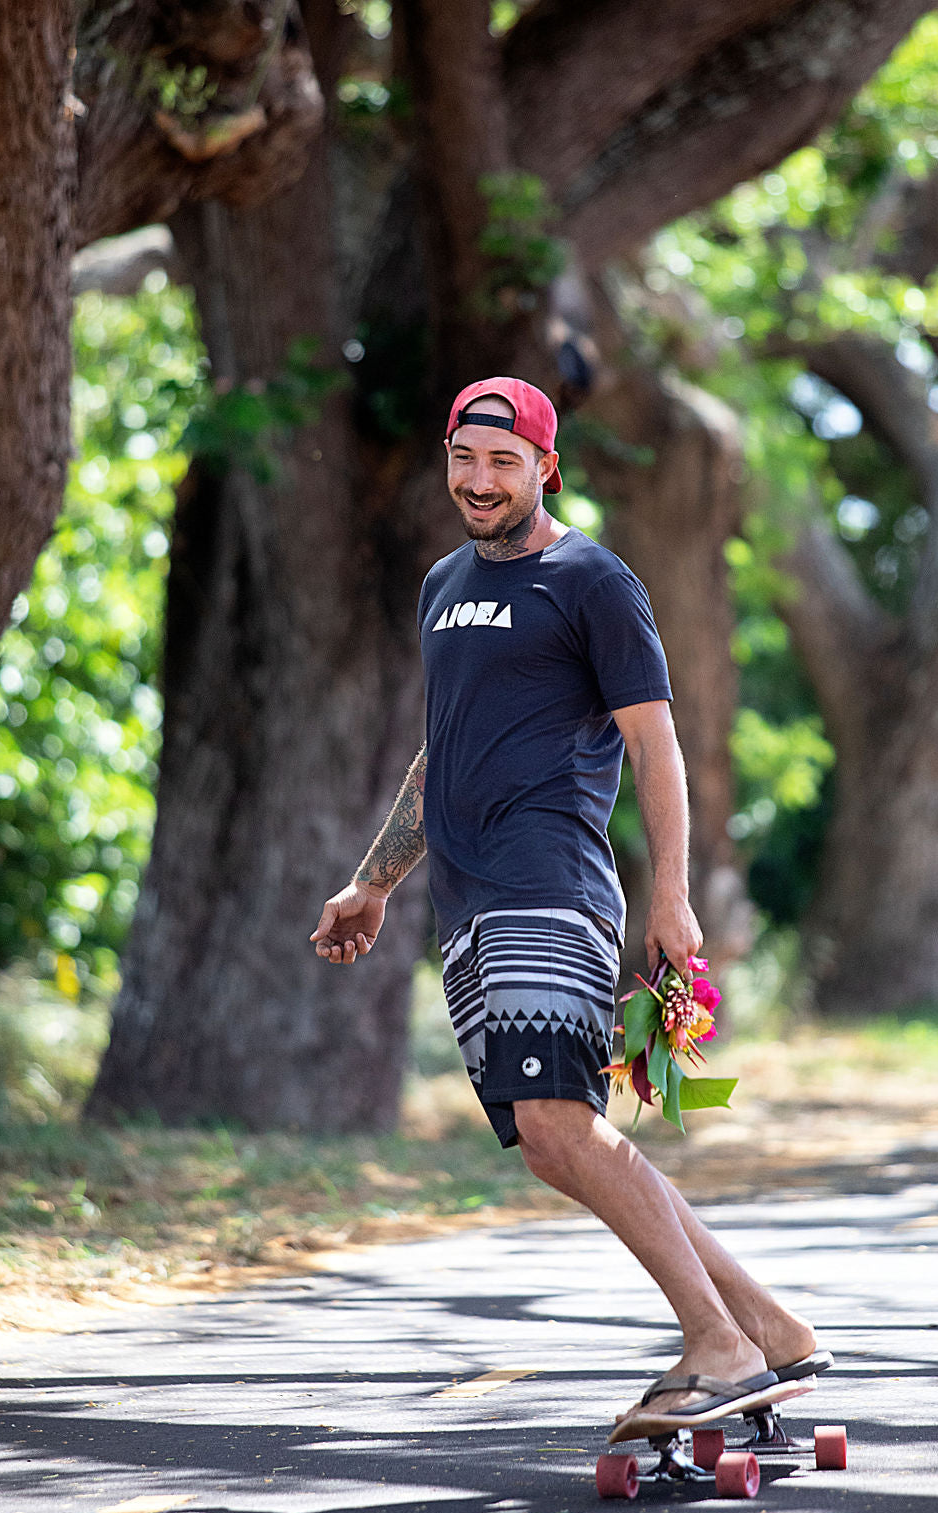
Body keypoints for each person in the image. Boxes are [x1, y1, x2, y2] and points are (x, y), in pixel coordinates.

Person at [310, 376, 820, 1422]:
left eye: (504, 461)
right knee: (553, 1139)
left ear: (546, 465)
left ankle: (718, 1346)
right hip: (466, 902)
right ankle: (769, 1325)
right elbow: (438, 751)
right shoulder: (443, 586)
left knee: (560, 1118)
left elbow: (655, 743)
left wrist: (668, 901)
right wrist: (373, 880)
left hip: (549, 885)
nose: (480, 479)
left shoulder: (592, 579)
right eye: (465, 458)